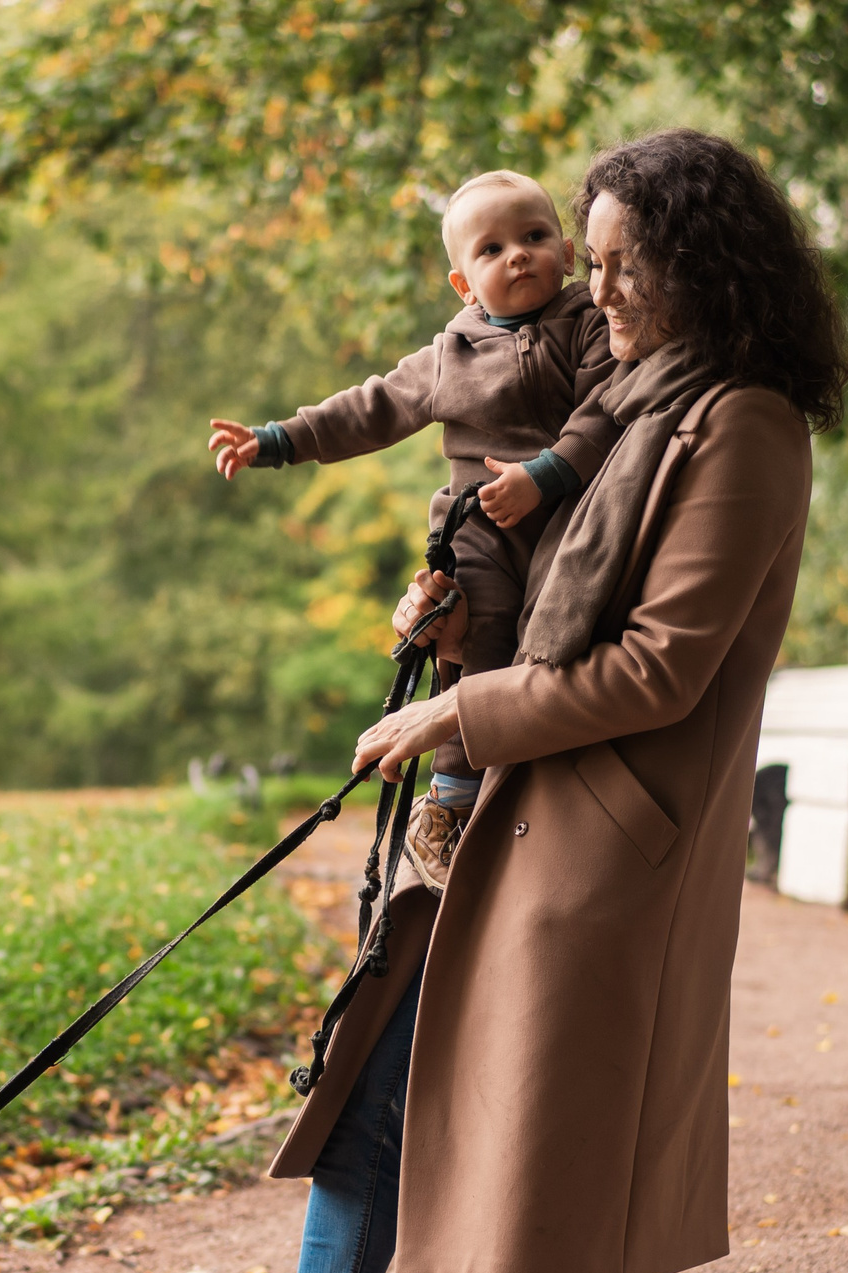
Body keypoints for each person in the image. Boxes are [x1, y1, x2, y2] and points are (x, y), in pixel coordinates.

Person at [151, 130, 848, 1273]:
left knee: (499, 1112)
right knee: (378, 1077)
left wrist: (457, 713)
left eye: (615, 263)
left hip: (592, 826)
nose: (593, 289)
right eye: (583, 261)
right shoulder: (634, 395)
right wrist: (452, 621)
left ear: (695, 261)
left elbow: (660, 665)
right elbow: (549, 597)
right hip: (518, 794)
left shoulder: (744, 423)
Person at [205, 170, 623, 888]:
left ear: (564, 246)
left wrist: (548, 472)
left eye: (533, 236)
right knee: (480, 638)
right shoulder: (448, 353)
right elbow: (368, 409)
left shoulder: (589, 321)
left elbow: (604, 410)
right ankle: (451, 804)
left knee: (554, 648)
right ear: (464, 285)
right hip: (481, 527)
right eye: (491, 250)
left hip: (566, 513)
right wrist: (276, 440)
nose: (518, 256)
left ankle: (525, 801)